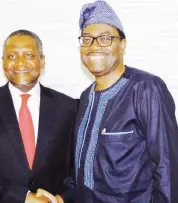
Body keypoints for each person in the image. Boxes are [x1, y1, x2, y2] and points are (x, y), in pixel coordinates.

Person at [73, 0, 178, 202]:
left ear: (122, 45)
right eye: (87, 39)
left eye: (105, 38)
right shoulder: (87, 96)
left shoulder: (146, 89)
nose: (94, 46)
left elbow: (168, 167)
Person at [0, 29, 78, 203]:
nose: (20, 63)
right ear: (3, 62)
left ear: (42, 62)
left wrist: (60, 198)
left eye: (29, 55)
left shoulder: (69, 108)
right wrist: (24, 198)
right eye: (12, 56)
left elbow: (79, 165)